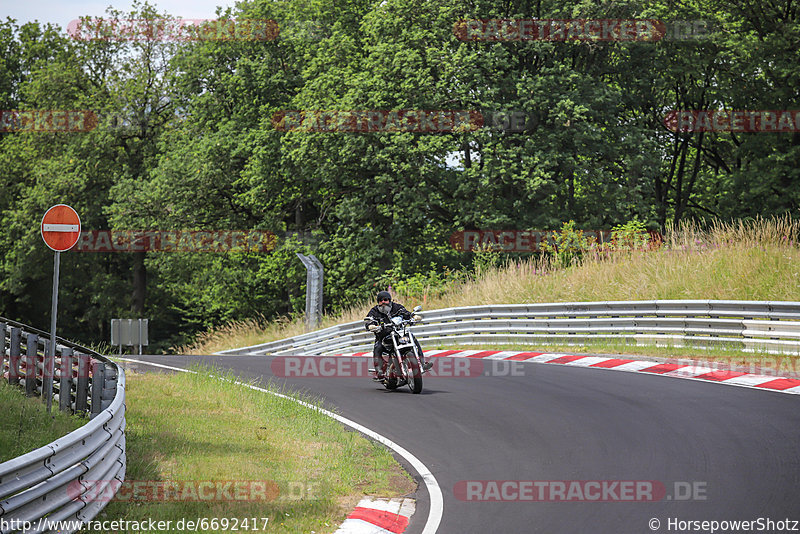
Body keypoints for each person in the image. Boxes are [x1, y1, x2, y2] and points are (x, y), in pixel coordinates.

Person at [366, 290, 432, 380]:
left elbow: (406, 313)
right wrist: (371, 325)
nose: (383, 302)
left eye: (385, 300)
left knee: (412, 338)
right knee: (378, 347)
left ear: (389, 300)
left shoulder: (397, 307)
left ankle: (422, 363)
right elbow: (369, 320)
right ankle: (379, 372)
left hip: (399, 334)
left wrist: (414, 317)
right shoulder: (374, 311)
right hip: (383, 337)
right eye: (380, 300)